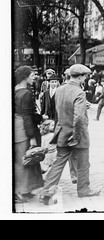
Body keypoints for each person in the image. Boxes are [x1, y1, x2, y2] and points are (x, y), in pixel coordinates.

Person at [39, 64, 100, 204]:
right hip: (77, 135)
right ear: (79, 77)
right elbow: (78, 117)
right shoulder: (79, 92)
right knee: (83, 164)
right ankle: (84, 190)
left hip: (62, 132)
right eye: (84, 76)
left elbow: (62, 110)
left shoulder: (60, 90)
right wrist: (76, 135)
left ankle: (46, 192)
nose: (85, 79)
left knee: (58, 163)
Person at [14, 66, 44, 203]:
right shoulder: (26, 93)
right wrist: (32, 137)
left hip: (17, 128)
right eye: (32, 75)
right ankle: (19, 192)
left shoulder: (15, 90)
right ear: (25, 76)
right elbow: (27, 116)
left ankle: (24, 190)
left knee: (20, 160)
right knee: (23, 161)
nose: (34, 77)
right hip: (23, 131)